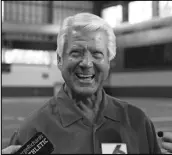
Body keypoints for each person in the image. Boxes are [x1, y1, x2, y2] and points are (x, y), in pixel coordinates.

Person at [2, 13, 172, 154]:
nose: (86, 63)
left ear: (108, 62)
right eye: (76, 53)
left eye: (97, 54)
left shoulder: (138, 122)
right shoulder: (33, 130)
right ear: (60, 60)